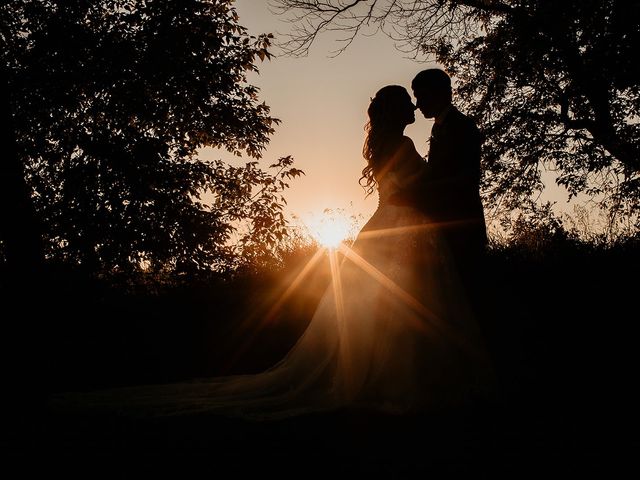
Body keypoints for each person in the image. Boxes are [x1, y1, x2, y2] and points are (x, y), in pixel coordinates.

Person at [49, 86, 493, 420]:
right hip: (401, 229)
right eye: (409, 102)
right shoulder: (404, 145)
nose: (416, 107)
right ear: (398, 111)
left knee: (382, 311)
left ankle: (385, 378)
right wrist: (443, 183)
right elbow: (414, 187)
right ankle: (399, 383)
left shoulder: (386, 143)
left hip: (391, 227)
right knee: (401, 307)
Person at [393, 68, 488, 338]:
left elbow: (466, 179)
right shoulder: (440, 127)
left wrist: (415, 194)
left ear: (439, 93)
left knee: (468, 299)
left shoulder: (462, 126)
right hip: (444, 227)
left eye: (420, 96)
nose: (417, 103)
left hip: (462, 226)